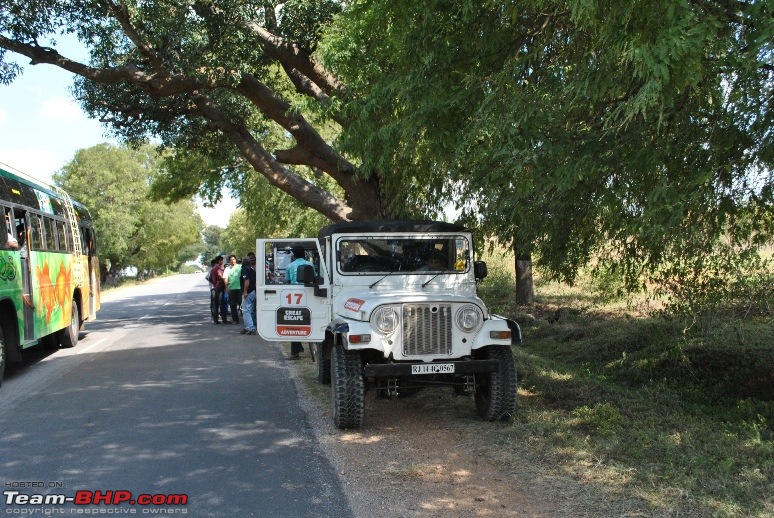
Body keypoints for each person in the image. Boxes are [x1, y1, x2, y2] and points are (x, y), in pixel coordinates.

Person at [286, 246, 315, 359]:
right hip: (308, 295)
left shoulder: (289, 266)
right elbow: (315, 279)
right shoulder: (310, 265)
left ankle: (295, 351)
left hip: (294, 297)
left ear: (294, 254)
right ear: (304, 254)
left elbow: (288, 282)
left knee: (295, 322)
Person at [209, 256, 229, 324]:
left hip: (215, 287)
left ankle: (215, 320)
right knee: (222, 304)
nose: (222, 262)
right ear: (219, 261)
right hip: (220, 287)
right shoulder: (218, 268)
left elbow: (210, 278)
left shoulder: (213, 269)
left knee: (216, 304)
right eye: (222, 260)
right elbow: (220, 276)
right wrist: (223, 281)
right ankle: (224, 319)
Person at [240, 257, 257, 335]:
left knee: (246, 311)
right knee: (251, 311)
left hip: (248, 292)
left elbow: (246, 281)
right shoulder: (252, 269)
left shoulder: (244, 269)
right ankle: (249, 326)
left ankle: (250, 328)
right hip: (253, 291)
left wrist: (245, 291)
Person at [226, 254, 242, 324]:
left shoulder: (240, 267)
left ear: (236, 260)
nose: (232, 261)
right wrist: (227, 288)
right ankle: (235, 320)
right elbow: (225, 278)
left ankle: (246, 319)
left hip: (239, 288)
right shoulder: (227, 269)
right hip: (231, 289)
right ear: (229, 261)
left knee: (242, 304)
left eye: (233, 259)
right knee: (233, 305)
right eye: (231, 260)